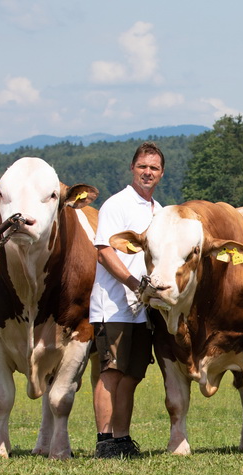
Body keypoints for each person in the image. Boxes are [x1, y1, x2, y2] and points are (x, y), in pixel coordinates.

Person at [91, 142, 165, 458]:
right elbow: (104, 250)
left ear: (161, 173)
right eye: (143, 166)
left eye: (154, 168)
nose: (147, 172)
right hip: (114, 303)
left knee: (132, 375)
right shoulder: (116, 205)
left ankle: (122, 439)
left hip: (144, 308)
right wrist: (134, 283)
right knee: (111, 371)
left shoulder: (159, 212)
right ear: (132, 168)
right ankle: (104, 440)